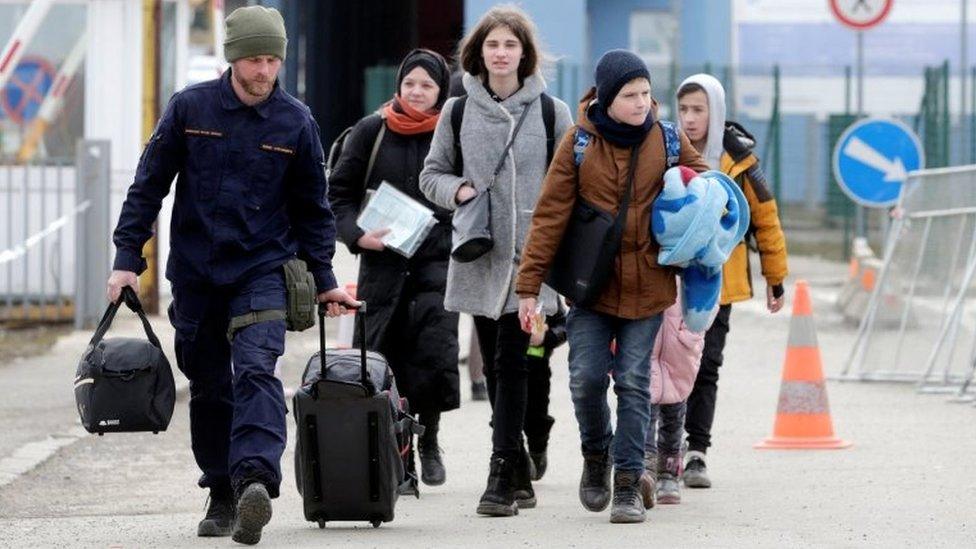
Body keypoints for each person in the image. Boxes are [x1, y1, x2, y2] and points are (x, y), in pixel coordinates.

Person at [107, 7, 356, 545]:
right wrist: (127, 259)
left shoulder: (296, 122)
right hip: (195, 273)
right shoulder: (189, 108)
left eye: (271, 59)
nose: (264, 70)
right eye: (253, 59)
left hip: (263, 268)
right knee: (210, 384)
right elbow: (148, 186)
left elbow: (314, 211)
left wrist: (327, 278)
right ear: (232, 58)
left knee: (256, 370)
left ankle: (255, 482)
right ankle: (220, 489)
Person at [516, 49, 708, 524]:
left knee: (634, 383)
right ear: (606, 97)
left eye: (645, 92)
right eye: (630, 95)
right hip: (591, 288)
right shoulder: (579, 143)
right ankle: (596, 455)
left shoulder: (666, 137)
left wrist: (696, 196)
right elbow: (550, 216)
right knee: (584, 380)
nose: (642, 102)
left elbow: (704, 181)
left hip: (650, 288)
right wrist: (528, 287)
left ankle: (626, 480)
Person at [420, 5, 572, 517]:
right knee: (500, 369)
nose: (502, 53)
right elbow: (431, 174)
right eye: (493, 45)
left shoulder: (554, 111)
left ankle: (501, 473)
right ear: (478, 52)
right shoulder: (458, 110)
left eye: (510, 45)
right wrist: (459, 189)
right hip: (480, 254)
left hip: (533, 260)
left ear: (525, 53)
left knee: (512, 361)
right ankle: (521, 465)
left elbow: (570, 183)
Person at [328, 48, 459, 488]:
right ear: (398, 86)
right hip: (382, 268)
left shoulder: (452, 134)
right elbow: (338, 194)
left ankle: (430, 440)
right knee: (386, 363)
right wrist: (357, 236)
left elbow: (470, 197)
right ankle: (400, 460)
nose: (417, 93)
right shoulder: (371, 130)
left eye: (427, 85)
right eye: (410, 84)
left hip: (436, 263)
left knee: (433, 357)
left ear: (440, 91)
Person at [675, 73, 788, 488]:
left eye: (698, 110)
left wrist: (775, 276)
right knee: (666, 363)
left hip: (719, 285)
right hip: (668, 283)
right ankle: (661, 446)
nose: (689, 119)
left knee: (706, 365)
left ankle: (696, 451)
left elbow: (767, 220)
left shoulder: (740, 161)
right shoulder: (666, 150)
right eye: (684, 109)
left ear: (716, 112)